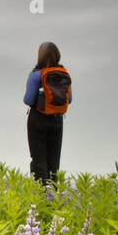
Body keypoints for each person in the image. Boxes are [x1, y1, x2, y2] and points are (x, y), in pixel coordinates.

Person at [24, 41, 72, 187]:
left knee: (38, 159)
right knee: (54, 160)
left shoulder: (36, 75)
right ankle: (53, 195)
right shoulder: (63, 74)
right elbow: (69, 100)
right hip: (57, 120)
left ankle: (41, 195)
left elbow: (28, 99)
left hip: (37, 119)